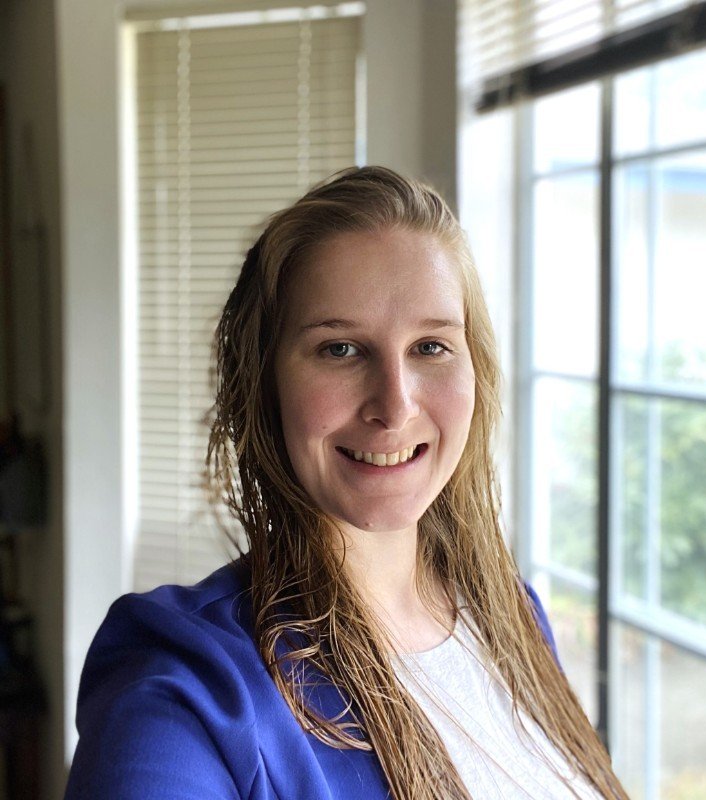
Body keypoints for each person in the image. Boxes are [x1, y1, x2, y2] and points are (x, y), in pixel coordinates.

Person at [65, 167, 627, 799]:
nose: (395, 405)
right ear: (264, 383)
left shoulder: (513, 615)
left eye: (431, 348)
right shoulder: (186, 692)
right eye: (339, 350)